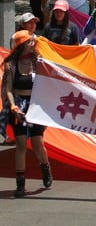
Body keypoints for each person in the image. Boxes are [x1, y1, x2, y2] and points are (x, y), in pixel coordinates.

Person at [4, 31, 53, 197]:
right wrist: (12, 106)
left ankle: (45, 167)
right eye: (30, 41)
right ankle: (20, 183)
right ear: (21, 45)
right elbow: (7, 89)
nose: (33, 43)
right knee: (21, 143)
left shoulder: (38, 62)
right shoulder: (11, 64)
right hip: (18, 105)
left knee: (38, 143)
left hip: (35, 106)